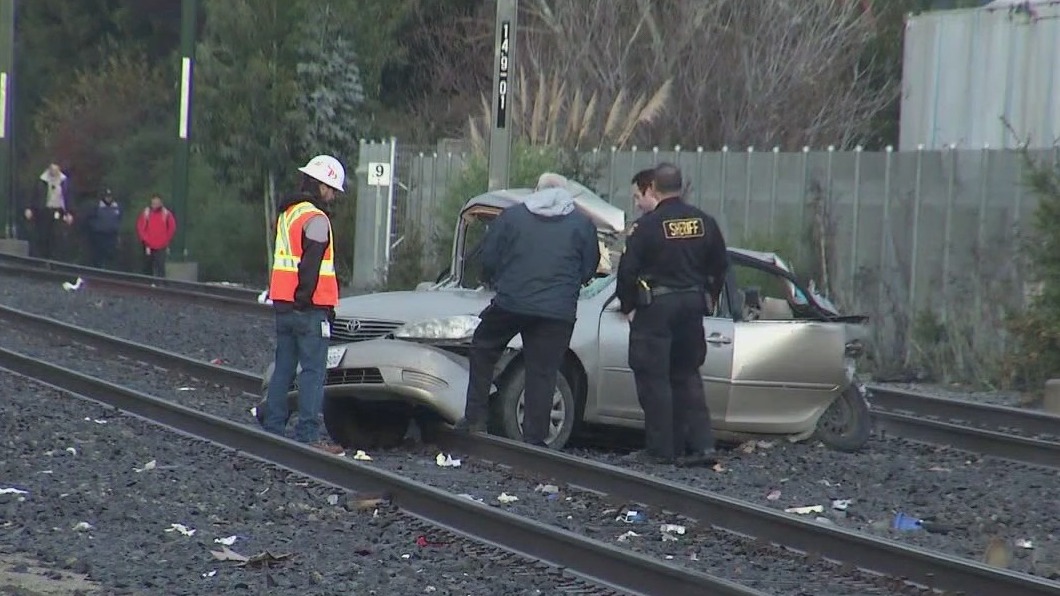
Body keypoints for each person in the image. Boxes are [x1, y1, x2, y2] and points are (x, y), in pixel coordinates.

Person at [455, 172, 600, 447]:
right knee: (543, 370)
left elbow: (489, 259)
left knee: (484, 347)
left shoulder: (511, 217)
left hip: (512, 302)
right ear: (566, 195)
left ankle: (474, 418)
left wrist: (496, 281)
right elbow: (588, 268)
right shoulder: (582, 224)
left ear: (536, 190)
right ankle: (534, 438)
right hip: (557, 312)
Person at [616, 162, 729, 466]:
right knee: (687, 375)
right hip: (692, 306)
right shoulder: (705, 222)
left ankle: (662, 450)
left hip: (657, 308)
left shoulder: (648, 226)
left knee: (654, 379)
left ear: (652, 188)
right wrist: (709, 295)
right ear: (681, 187)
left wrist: (627, 306)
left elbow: (627, 272)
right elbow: (720, 265)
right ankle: (703, 446)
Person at [262, 154, 347, 456]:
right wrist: (306, 300)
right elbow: (310, 265)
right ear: (321, 185)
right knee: (313, 371)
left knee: (284, 365)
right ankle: (308, 435)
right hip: (308, 308)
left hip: (283, 304)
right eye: (332, 189)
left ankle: (273, 426)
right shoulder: (316, 219)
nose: (333, 195)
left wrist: (292, 300)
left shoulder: (288, 213)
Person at [26, 164, 74, 259]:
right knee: (43, 235)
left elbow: (69, 198)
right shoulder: (41, 181)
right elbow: (35, 195)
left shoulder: (64, 182)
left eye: (56, 170)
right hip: (44, 211)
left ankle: (55, 260)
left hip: (58, 211)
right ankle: (43, 258)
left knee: (57, 236)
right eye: (52, 170)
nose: (54, 172)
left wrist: (69, 213)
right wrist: (30, 208)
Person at [136, 194, 177, 277]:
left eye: (157, 203)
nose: (155, 205)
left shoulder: (166, 214)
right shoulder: (146, 213)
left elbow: (172, 228)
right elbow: (140, 227)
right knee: (147, 267)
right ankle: (147, 285)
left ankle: (161, 285)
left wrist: (166, 240)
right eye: (153, 203)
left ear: (161, 203)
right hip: (148, 245)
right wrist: (144, 239)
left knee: (160, 267)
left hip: (161, 245)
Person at [84, 188, 122, 269]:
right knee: (98, 256)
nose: (109, 198)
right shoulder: (97, 207)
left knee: (111, 256)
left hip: (112, 235)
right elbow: (90, 220)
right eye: (107, 197)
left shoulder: (117, 207)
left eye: (110, 197)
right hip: (99, 235)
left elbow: (119, 220)